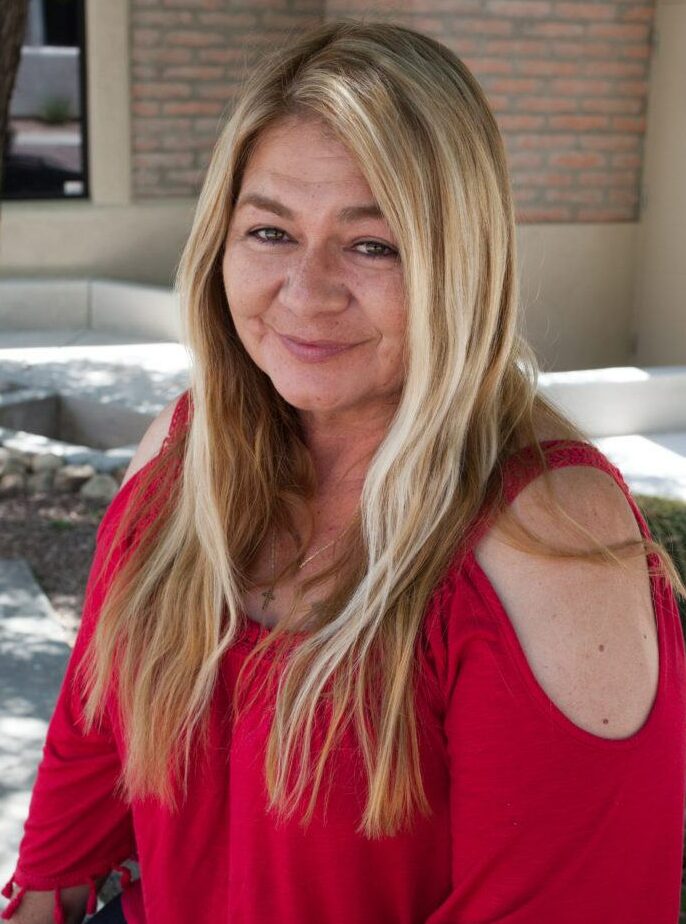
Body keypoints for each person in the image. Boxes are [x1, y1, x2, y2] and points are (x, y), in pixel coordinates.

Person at [3, 18, 685, 924]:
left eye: (373, 245)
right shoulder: (183, 449)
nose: (307, 291)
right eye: (270, 231)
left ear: (460, 264)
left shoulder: (549, 536)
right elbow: (94, 740)